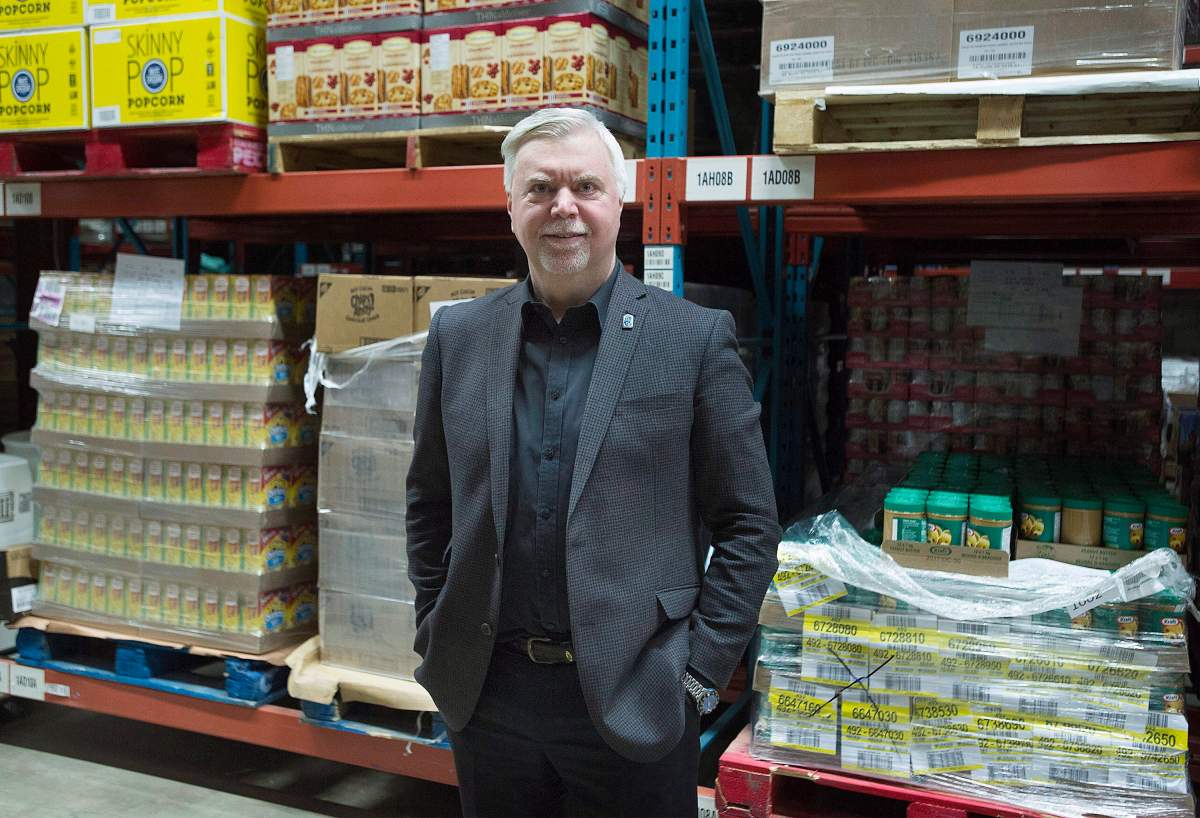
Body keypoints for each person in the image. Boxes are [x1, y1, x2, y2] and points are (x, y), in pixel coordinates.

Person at [405, 107, 781, 818]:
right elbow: (430, 502)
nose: (563, 208)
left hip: (636, 697)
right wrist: (435, 623)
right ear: (511, 206)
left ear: (620, 201)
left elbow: (750, 525)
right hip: (489, 699)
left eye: (585, 186)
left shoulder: (692, 341)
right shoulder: (459, 338)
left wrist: (698, 677)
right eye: (540, 189)